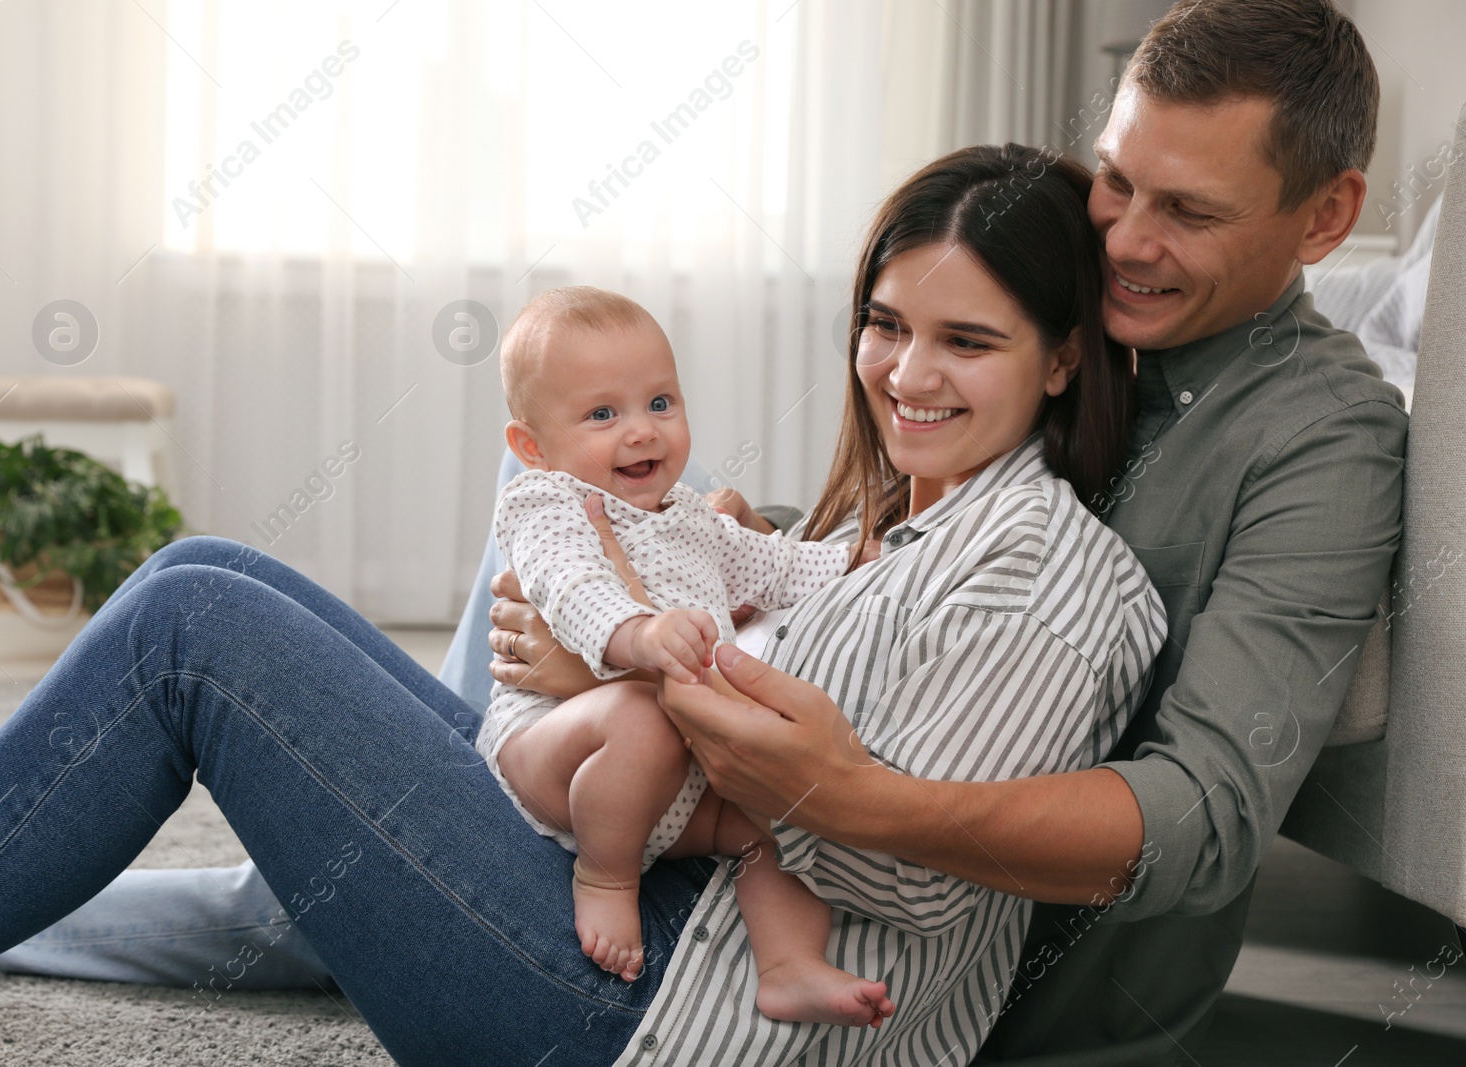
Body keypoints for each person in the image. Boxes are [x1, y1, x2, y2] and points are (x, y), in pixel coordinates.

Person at [0, 143, 1164, 1067]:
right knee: (252, 558)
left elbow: (914, 869)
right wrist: (630, 640)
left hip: (646, 1010)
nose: (905, 372)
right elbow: (791, 621)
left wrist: (636, 684)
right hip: (624, 873)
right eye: (887, 324)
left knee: (196, 626)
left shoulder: (1043, 577)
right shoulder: (929, 518)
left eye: (968, 341)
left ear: (1061, 357)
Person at [501, 2, 1408, 1062]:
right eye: (1117, 179)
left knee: (279, 611)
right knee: (569, 451)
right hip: (733, 860)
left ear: (1323, 217)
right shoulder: (1103, 311)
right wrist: (691, 577)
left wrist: (826, 782)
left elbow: (1204, 810)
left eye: (1190, 211)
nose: (1122, 238)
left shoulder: (1320, 437)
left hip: (932, 973)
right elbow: (919, 566)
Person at [480, 283, 894, 1026]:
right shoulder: (546, 505)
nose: (642, 431)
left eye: (660, 403)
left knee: (781, 821)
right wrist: (638, 632)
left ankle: (788, 965)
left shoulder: (692, 517)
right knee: (643, 714)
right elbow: (567, 584)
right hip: (559, 750)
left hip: (677, 789)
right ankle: (605, 878)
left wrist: (851, 563)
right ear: (533, 448)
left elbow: (771, 567)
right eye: (604, 414)